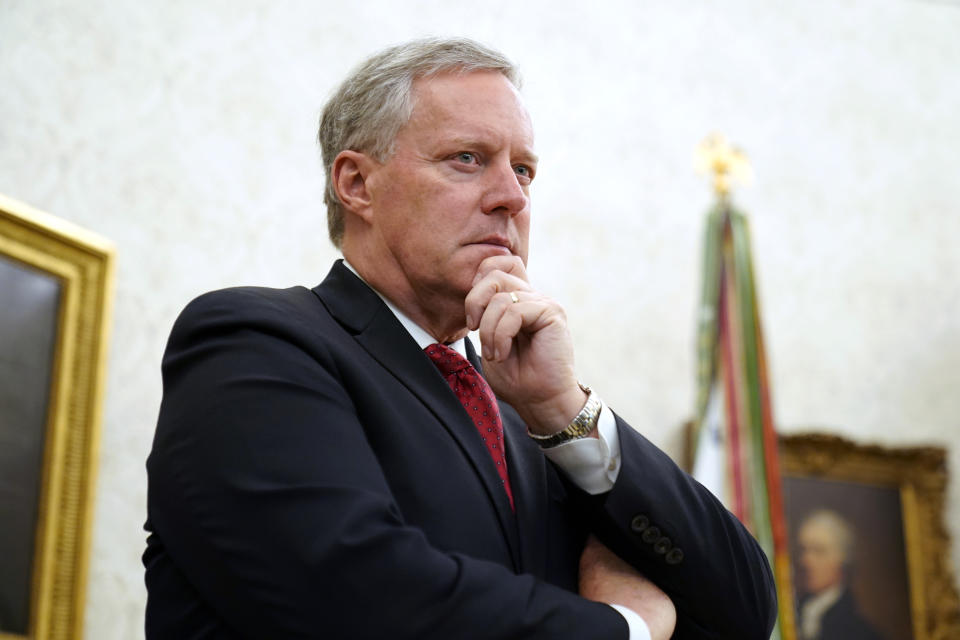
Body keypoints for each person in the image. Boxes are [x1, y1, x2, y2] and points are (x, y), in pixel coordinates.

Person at [143, 37, 777, 639]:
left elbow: (743, 613)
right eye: (466, 159)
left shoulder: (528, 417)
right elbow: (356, 596)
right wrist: (622, 628)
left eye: (524, 170)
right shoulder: (253, 342)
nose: (511, 197)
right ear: (357, 184)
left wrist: (563, 410)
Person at [796, 510, 882, 640]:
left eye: (818, 551)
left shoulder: (862, 632)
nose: (806, 561)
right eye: (804, 550)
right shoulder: (792, 613)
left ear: (842, 561)